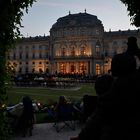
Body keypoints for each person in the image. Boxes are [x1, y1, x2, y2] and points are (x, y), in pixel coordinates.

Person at [70, 52, 140, 140]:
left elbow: (94, 123)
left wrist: (80, 138)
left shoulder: (112, 93)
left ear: (115, 70)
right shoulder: (134, 86)